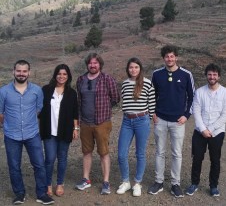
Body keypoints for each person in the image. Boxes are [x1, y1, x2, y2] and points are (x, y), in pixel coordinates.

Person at [0, 60, 54, 205]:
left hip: (32, 134)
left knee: (39, 165)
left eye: (24, 71)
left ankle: (41, 194)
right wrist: (9, 124)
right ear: (13, 71)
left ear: (29, 72)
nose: (21, 74)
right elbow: (0, 113)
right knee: (14, 166)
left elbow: (38, 109)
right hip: (11, 135)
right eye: (19, 71)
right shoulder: (3, 91)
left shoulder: (37, 91)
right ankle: (19, 193)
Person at [148, 45, 195, 198]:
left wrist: (186, 115)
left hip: (178, 122)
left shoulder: (186, 75)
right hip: (160, 119)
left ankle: (175, 183)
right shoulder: (156, 74)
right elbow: (151, 95)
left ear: (176, 57)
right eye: (167, 56)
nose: (169, 59)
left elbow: (192, 98)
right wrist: (152, 113)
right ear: (164, 58)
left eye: (172, 56)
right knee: (160, 152)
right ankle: (159, 181)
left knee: (177, 153)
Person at [75, 52, 120, 195]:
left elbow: (115, 98)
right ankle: (85, 179)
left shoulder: (107, 79)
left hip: (102, 123)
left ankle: (106, 182)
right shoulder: (81, 79)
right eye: (90, 63)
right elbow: (79, 100)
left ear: (100, 64)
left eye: (95, 63)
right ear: (87, 64)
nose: (92, 65)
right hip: (85, 123)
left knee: (103, 152)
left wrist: (104, 110)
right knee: (86, 152)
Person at [116, 57, 155, 197]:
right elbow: (124, 103)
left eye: (136, 67)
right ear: (128, 69)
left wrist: (146, 120)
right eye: (131, 67)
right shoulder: (125, 84)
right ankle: (126, 182)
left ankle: (137, 183)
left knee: (140, 153)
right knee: (121, 153)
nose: (133, 70)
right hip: (127, 121)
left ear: (140, 69)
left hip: (142, 120)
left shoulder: (147, 83)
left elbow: (152, 104)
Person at [185, 63, 226, 197]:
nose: (212, 77)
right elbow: (196, 112)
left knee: (215, 159)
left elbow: (224, 114)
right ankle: (194, 183)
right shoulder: (199, 92)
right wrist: (203, 129)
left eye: (214, 74)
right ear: (206, 76)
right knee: (197, 158)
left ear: (219, 76)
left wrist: (211, 129)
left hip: (217, 131)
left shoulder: (224, 93)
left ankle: (213, 186)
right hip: (199, 131)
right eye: (209, 74)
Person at [39, 64, 79, 197]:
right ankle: (48, 184)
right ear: (55, 75)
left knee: (62, 158)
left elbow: (75, 112)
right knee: (49, 158)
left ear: (68, 76)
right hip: (49, 130)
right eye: (59, 74)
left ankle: (60, 183)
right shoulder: (46, 90)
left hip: (65, 130)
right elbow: (39, 108)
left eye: (64, 74)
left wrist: (76, 128)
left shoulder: (71, 93)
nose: (61, 76)